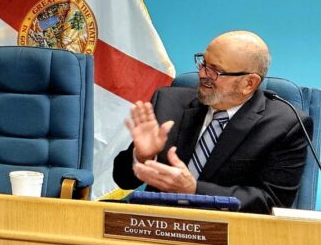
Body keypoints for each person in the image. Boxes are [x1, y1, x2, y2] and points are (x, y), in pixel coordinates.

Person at [113, 31, 311, 213]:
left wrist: (194, 190)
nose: (202, 74)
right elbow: (122, 179)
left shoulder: (286, 126)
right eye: (203, 64)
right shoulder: (167, 103)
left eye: (215, 71)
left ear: (249, 83)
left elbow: (271, 202)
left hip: (228, 235)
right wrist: (142, 157)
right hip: (156, 222)